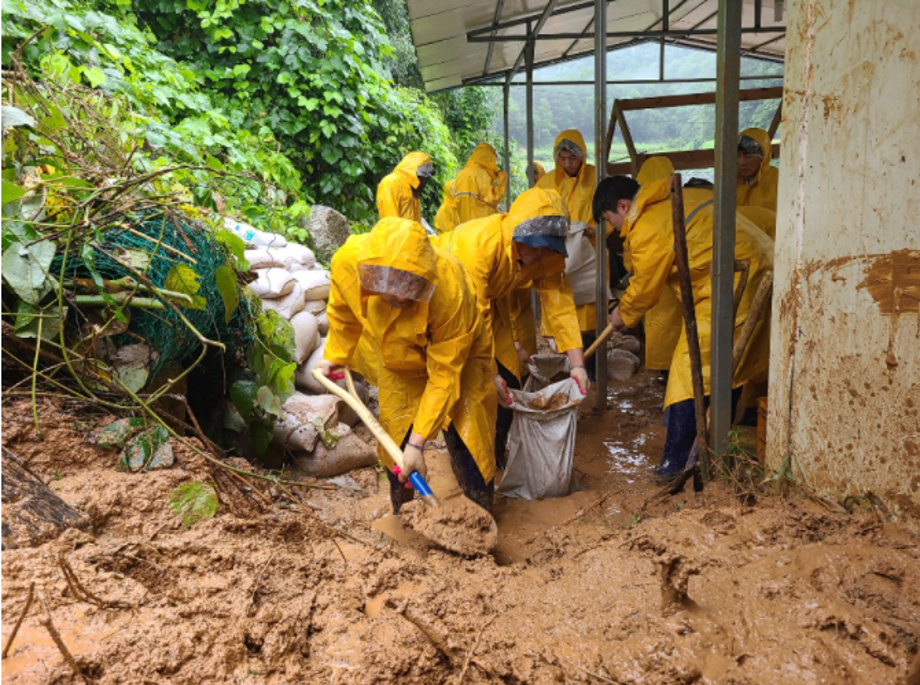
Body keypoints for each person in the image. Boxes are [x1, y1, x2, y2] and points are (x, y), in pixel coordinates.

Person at [593, 175, 774, 481]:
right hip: (751, 267)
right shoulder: (670, 200)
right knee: (728, 364)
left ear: (623, 206)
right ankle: (710, 449)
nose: (613, 228)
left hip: (735, 279)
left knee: (689, 369)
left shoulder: (647, 223)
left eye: (609, 219)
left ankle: (675, 463)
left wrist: (624, 312)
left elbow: (645, 286)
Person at [319, 217, 496, 513]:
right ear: (374, 274)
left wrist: (419, 444)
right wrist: (336, 357)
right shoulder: (350, 263)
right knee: (396, 438)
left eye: (412, 285)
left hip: (458, 357)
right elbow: (342, 312)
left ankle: (478, 508)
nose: (402, 295)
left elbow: (444, 375)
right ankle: (404, 514)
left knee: (468, 429)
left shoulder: (449, 288)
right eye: (394, 285)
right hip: (398, 363)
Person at [436, 187, 588, 468]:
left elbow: (559, 304)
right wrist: (489, 373)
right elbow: (474, 316)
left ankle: (495, 452)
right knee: (468, 381)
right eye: (533, 244)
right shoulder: (478, 245)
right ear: (517, 233)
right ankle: (463, 453)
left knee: (509, 377)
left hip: (492, 303)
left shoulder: (544, 255)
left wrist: (577, 364)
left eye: (546, 247)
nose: (539, 253)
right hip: (454, 303)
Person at [535, 130, 604, 381]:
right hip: (559, 250)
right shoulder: (547, 182)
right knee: (560, 301)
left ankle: (592, 366)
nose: (567, 164)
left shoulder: (597, 177)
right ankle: (566, 365)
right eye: (562, 158)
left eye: (572, 158)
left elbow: (605, 210)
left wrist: (595, 229)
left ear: (581, 156)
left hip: (589, 250)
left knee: (588, 308)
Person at [453, 142, 508, 224]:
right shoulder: (482, 175)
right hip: (481, 225)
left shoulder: (461, 174)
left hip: (464, 225)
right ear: (488, 158)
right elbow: (492, 199)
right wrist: (502, 180)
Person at [376, 152, 435, 224]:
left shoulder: (412, 190)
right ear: (413, 174)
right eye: (423, 178)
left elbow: (415, 223)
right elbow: (391, 223)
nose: (424, 182)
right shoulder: (391, 183)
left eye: (426, 179)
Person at [737, 127, 779, 212]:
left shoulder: (780, 181)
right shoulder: (729, 182)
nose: (742, 162)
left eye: (748, 156)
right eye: (738, 156)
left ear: (763, 157)